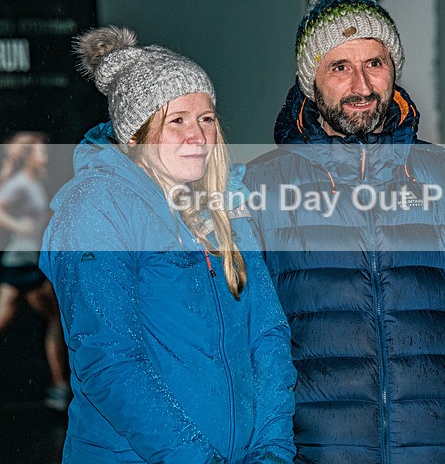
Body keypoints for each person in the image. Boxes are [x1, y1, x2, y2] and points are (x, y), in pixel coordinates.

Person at [245, 0, 445, 463]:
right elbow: (243, 340)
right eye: (339, 66)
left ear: (393, 68)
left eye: (375, 62)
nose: (361, 85)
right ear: (309, 79)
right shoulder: (257, 189)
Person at [39, 26, 296, 463]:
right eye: (176, 120)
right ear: (137, 134)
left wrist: (272, 451)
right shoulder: (96, 208)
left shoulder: (226, 205)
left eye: (206, 118)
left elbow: (267, 338)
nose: (197, 136)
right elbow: (110, 363)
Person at [0, 131, 71, 411]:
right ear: (29, 157)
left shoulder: (34, 181)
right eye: (41, 151)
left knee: (52, 316)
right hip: (21, 261)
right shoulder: (19, 182)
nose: (47, 155)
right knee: (54, 317)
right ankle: (60, 387)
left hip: (28, 259)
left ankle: (60, 387)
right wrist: (21, 227)